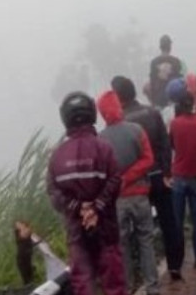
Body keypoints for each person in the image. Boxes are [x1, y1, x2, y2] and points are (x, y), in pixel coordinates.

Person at [47, 92, 126, 295]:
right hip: (106, 231)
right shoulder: (104, 148)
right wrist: (96, 206)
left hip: (77, 236)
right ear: (91, 113)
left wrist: (78, 208)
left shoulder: (57, 156)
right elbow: (115, 180)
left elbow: (53, 193)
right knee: (114, 286)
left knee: (83, 287)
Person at [114, 76, 184, 282]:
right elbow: (164, 144)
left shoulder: (121, 123)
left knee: (141, 233)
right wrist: (167, 173)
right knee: (168, 222)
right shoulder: (153, 113)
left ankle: (143, 276)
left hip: (138, 183)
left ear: (119, 97)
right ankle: (175, 266)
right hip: (159, 177)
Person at [96, 90, 159, 295]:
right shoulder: (137, 130)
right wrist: (130, 177)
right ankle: (152, 287)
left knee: (121, 245)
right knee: (146, 240)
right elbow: (149, 160)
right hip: (140, 194)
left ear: (103, 113)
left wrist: (119, 181)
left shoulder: (100, 141)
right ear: (118, 107)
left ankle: (128, 286)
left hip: (117, 200)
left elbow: (101, 174)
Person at [168, 78, 196, 268]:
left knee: (177, 221)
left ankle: (177, 260)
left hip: (178, 175)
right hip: (195, 175)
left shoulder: (175, 123)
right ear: (192, 104)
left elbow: (172, 145)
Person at [149, 35, 183, 110]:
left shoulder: (154, 62)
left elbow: (152, 83)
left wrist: (153, 102)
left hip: (158, 99)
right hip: (173, 100)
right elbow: (180, 82)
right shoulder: (176, 61)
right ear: (170, 47)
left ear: (160, 47)